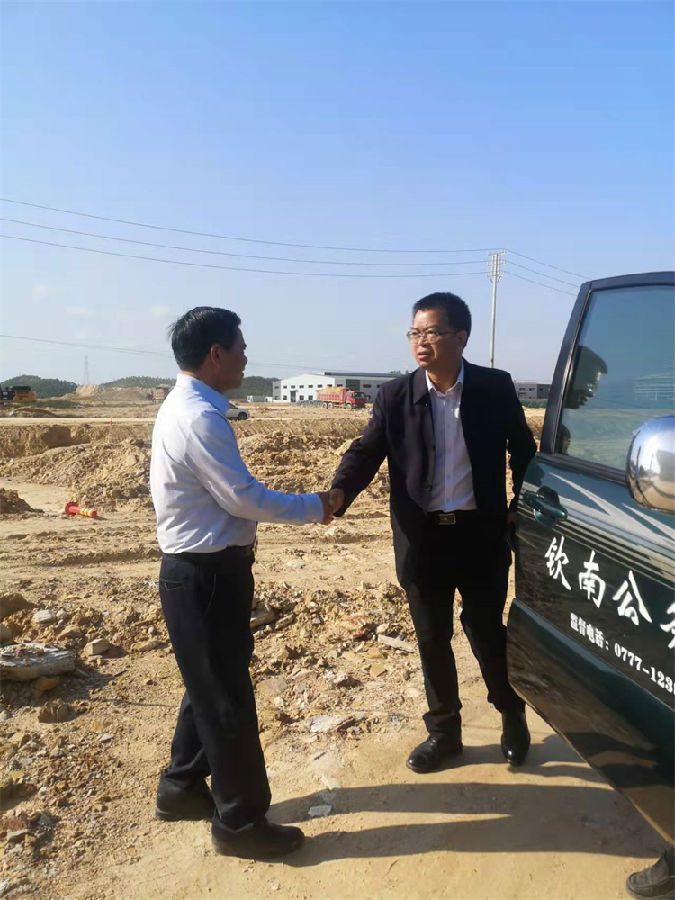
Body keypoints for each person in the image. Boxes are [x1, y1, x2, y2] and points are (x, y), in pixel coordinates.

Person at [149, 306, 343, 860]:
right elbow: (243, 499)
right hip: (207, 576)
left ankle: (181, 787)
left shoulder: (188, 406)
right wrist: (316, 506)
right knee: (227, 701)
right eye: (240, 347)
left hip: (203, 574)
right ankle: (239, 823)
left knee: (209, 685)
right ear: (216, 354)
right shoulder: (200, 418)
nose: (246, 357)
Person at [331, 292, 536, 773]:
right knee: (431, 638)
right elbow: (366, 452)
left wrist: (517, 507)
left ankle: (512, 714)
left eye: (433, 332)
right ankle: (444, 734)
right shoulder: (395, 395)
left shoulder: (494, 388)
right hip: (423, 540)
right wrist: (338, 494)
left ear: (460, 337)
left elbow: (524, 451)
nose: (421, 342)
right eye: (415, 333)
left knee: (487, 631)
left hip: (479, 536)